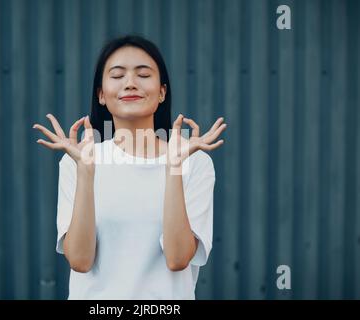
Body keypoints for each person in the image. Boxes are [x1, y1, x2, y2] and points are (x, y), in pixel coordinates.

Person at [32, 35, 227, 299]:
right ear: (101, 94)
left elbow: (178, 258)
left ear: (162, 92)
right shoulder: (78, 159)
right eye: (117, 75)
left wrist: (173, 168)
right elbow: (79, 260)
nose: (131, 83)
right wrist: (86, 173)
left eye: (144, 74)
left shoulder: (194, 161)